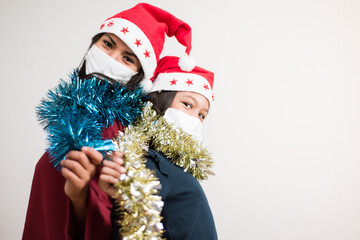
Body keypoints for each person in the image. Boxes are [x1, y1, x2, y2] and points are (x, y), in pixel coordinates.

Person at [23, 3, 194, 240]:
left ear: (137, 77)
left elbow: (109, 224)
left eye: (127, 58)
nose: (111, 59)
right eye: (108, 44)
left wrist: (80, 197)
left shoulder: (120, 135)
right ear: (93, 45)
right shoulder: (75, 117)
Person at [99, 56, 217, 239]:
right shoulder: (150, 162)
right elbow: (137, 225)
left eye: (202, 115)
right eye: (187, 104)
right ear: (161, 101)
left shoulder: (174, 166)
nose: (195, 119)